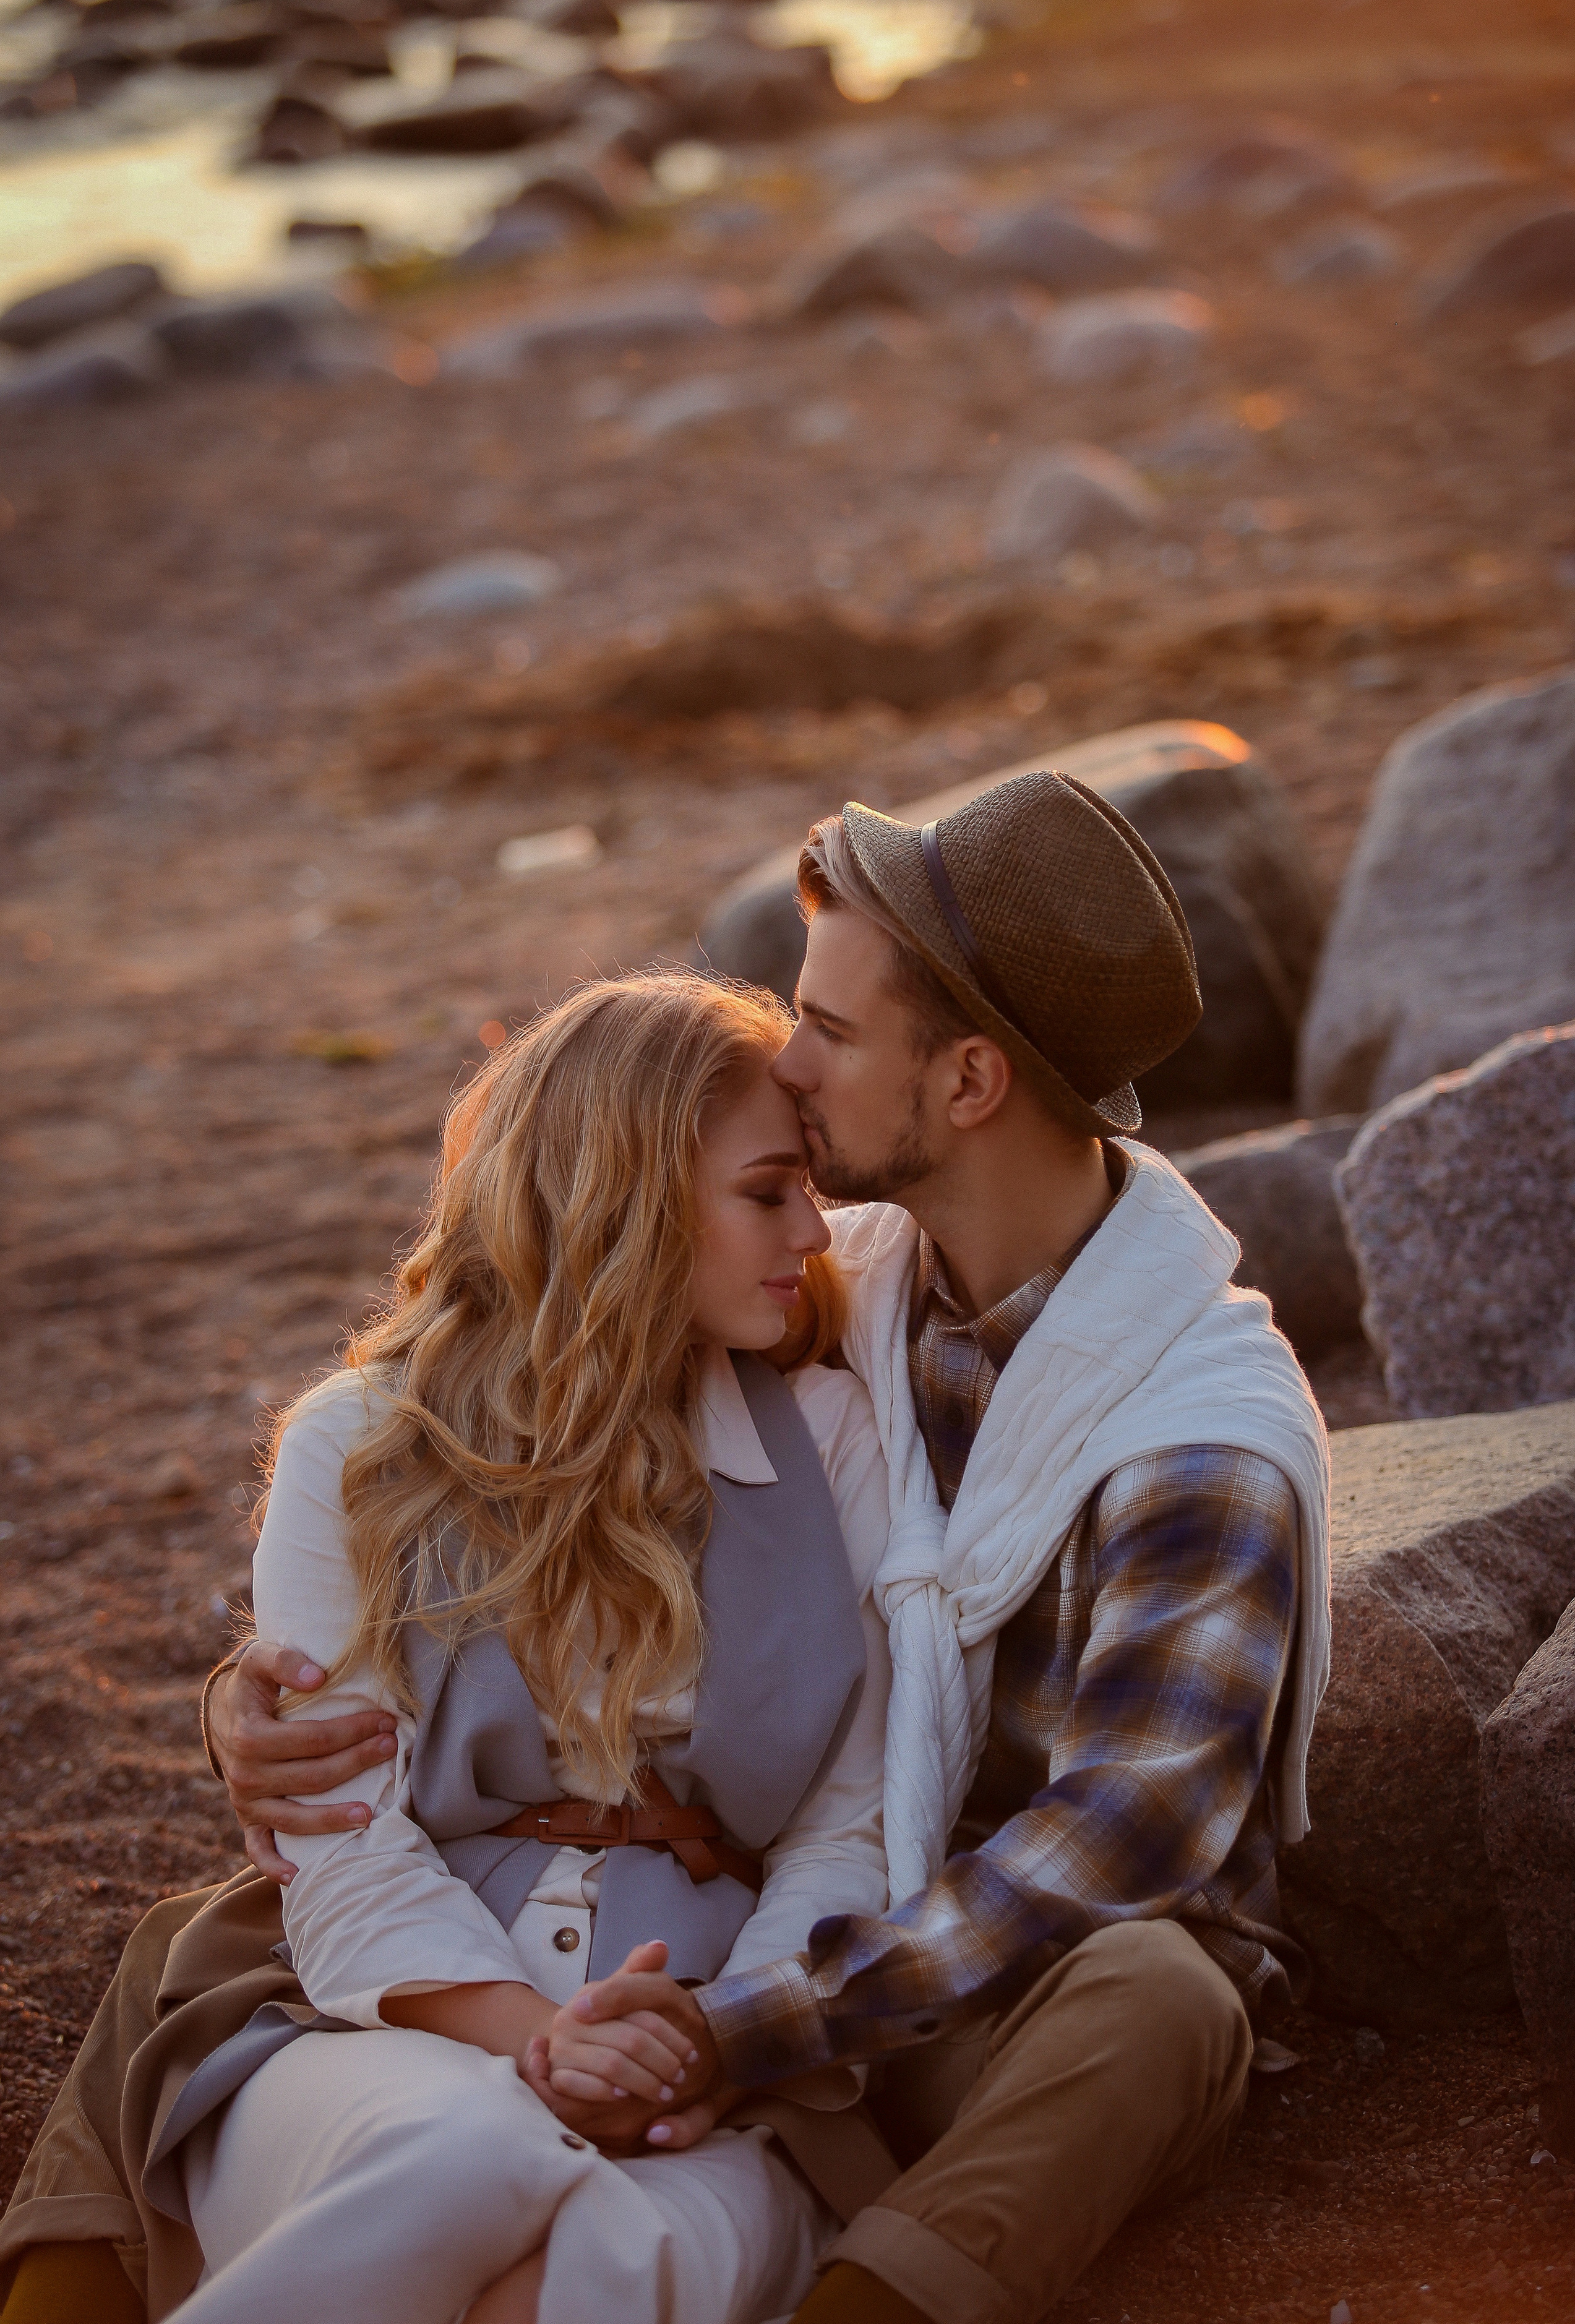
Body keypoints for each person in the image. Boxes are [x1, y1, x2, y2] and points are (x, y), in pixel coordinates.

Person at [197, 772, 1333, 2324]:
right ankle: (78, 2252)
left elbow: (1125, 1841)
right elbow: (559, 1367)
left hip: (980, 1977)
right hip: (756, 1935)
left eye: (830, 1029)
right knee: (224, 1931)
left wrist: (732, 2030)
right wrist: (253, 1701)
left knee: (1157, 2000)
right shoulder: (852, 1277)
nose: (787, 1064)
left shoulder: (1194, 1431)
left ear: (970, 1081)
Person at [0, 972, 899, 2324]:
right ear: (629, 1201)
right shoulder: (357, 1445)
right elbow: (341, 1838)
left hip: (709, 2074)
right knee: (476, 2147)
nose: (815, 1232)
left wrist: (705, 2041)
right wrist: (542, 2044)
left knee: (597, 2268)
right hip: (385, 2042)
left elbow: (850, 1828)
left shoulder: (836, 1445)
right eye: (767, 1193)